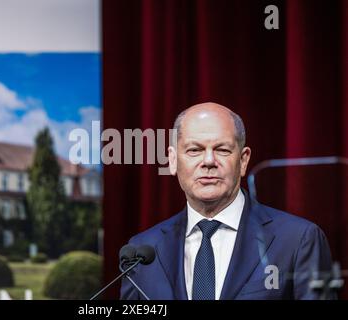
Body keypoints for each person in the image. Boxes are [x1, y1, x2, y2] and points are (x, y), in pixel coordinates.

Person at [120, 102, 335, 300]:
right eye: (194, 150)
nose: (209, 161)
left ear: (243, 160)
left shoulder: (297, 239)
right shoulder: (142, 250)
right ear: (173, 160)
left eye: (222, 150)